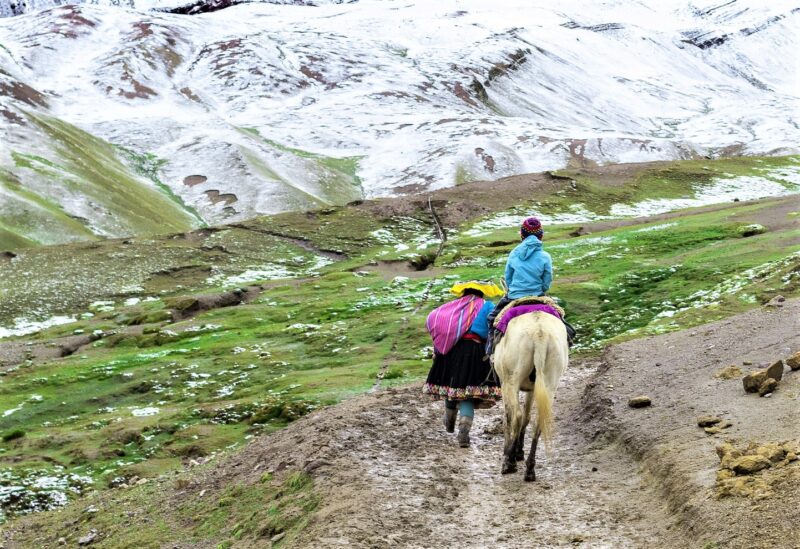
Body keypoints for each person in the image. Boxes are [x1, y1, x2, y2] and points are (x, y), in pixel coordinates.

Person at [423, 280, 504, 447]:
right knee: (467, 393)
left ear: (464, 292)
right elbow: (492, 329)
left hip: (450, 350)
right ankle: (464, 433)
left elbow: (435, 319)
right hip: (475, 351)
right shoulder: (487, 306)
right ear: (483, 293)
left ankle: (450, 421)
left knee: (451, 387)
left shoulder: (452, 306)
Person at [485, 216, 574, 355]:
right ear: (541, 236)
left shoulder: (514, 254)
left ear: (522, 235)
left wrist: (512, 289)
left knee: (492, 319)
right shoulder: (545, 256)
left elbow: (508, 277)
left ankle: (490, 351)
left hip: (514, 297)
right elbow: (547, 279)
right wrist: (542, 290)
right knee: (562, 320)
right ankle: (567, 344)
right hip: (537, 296)